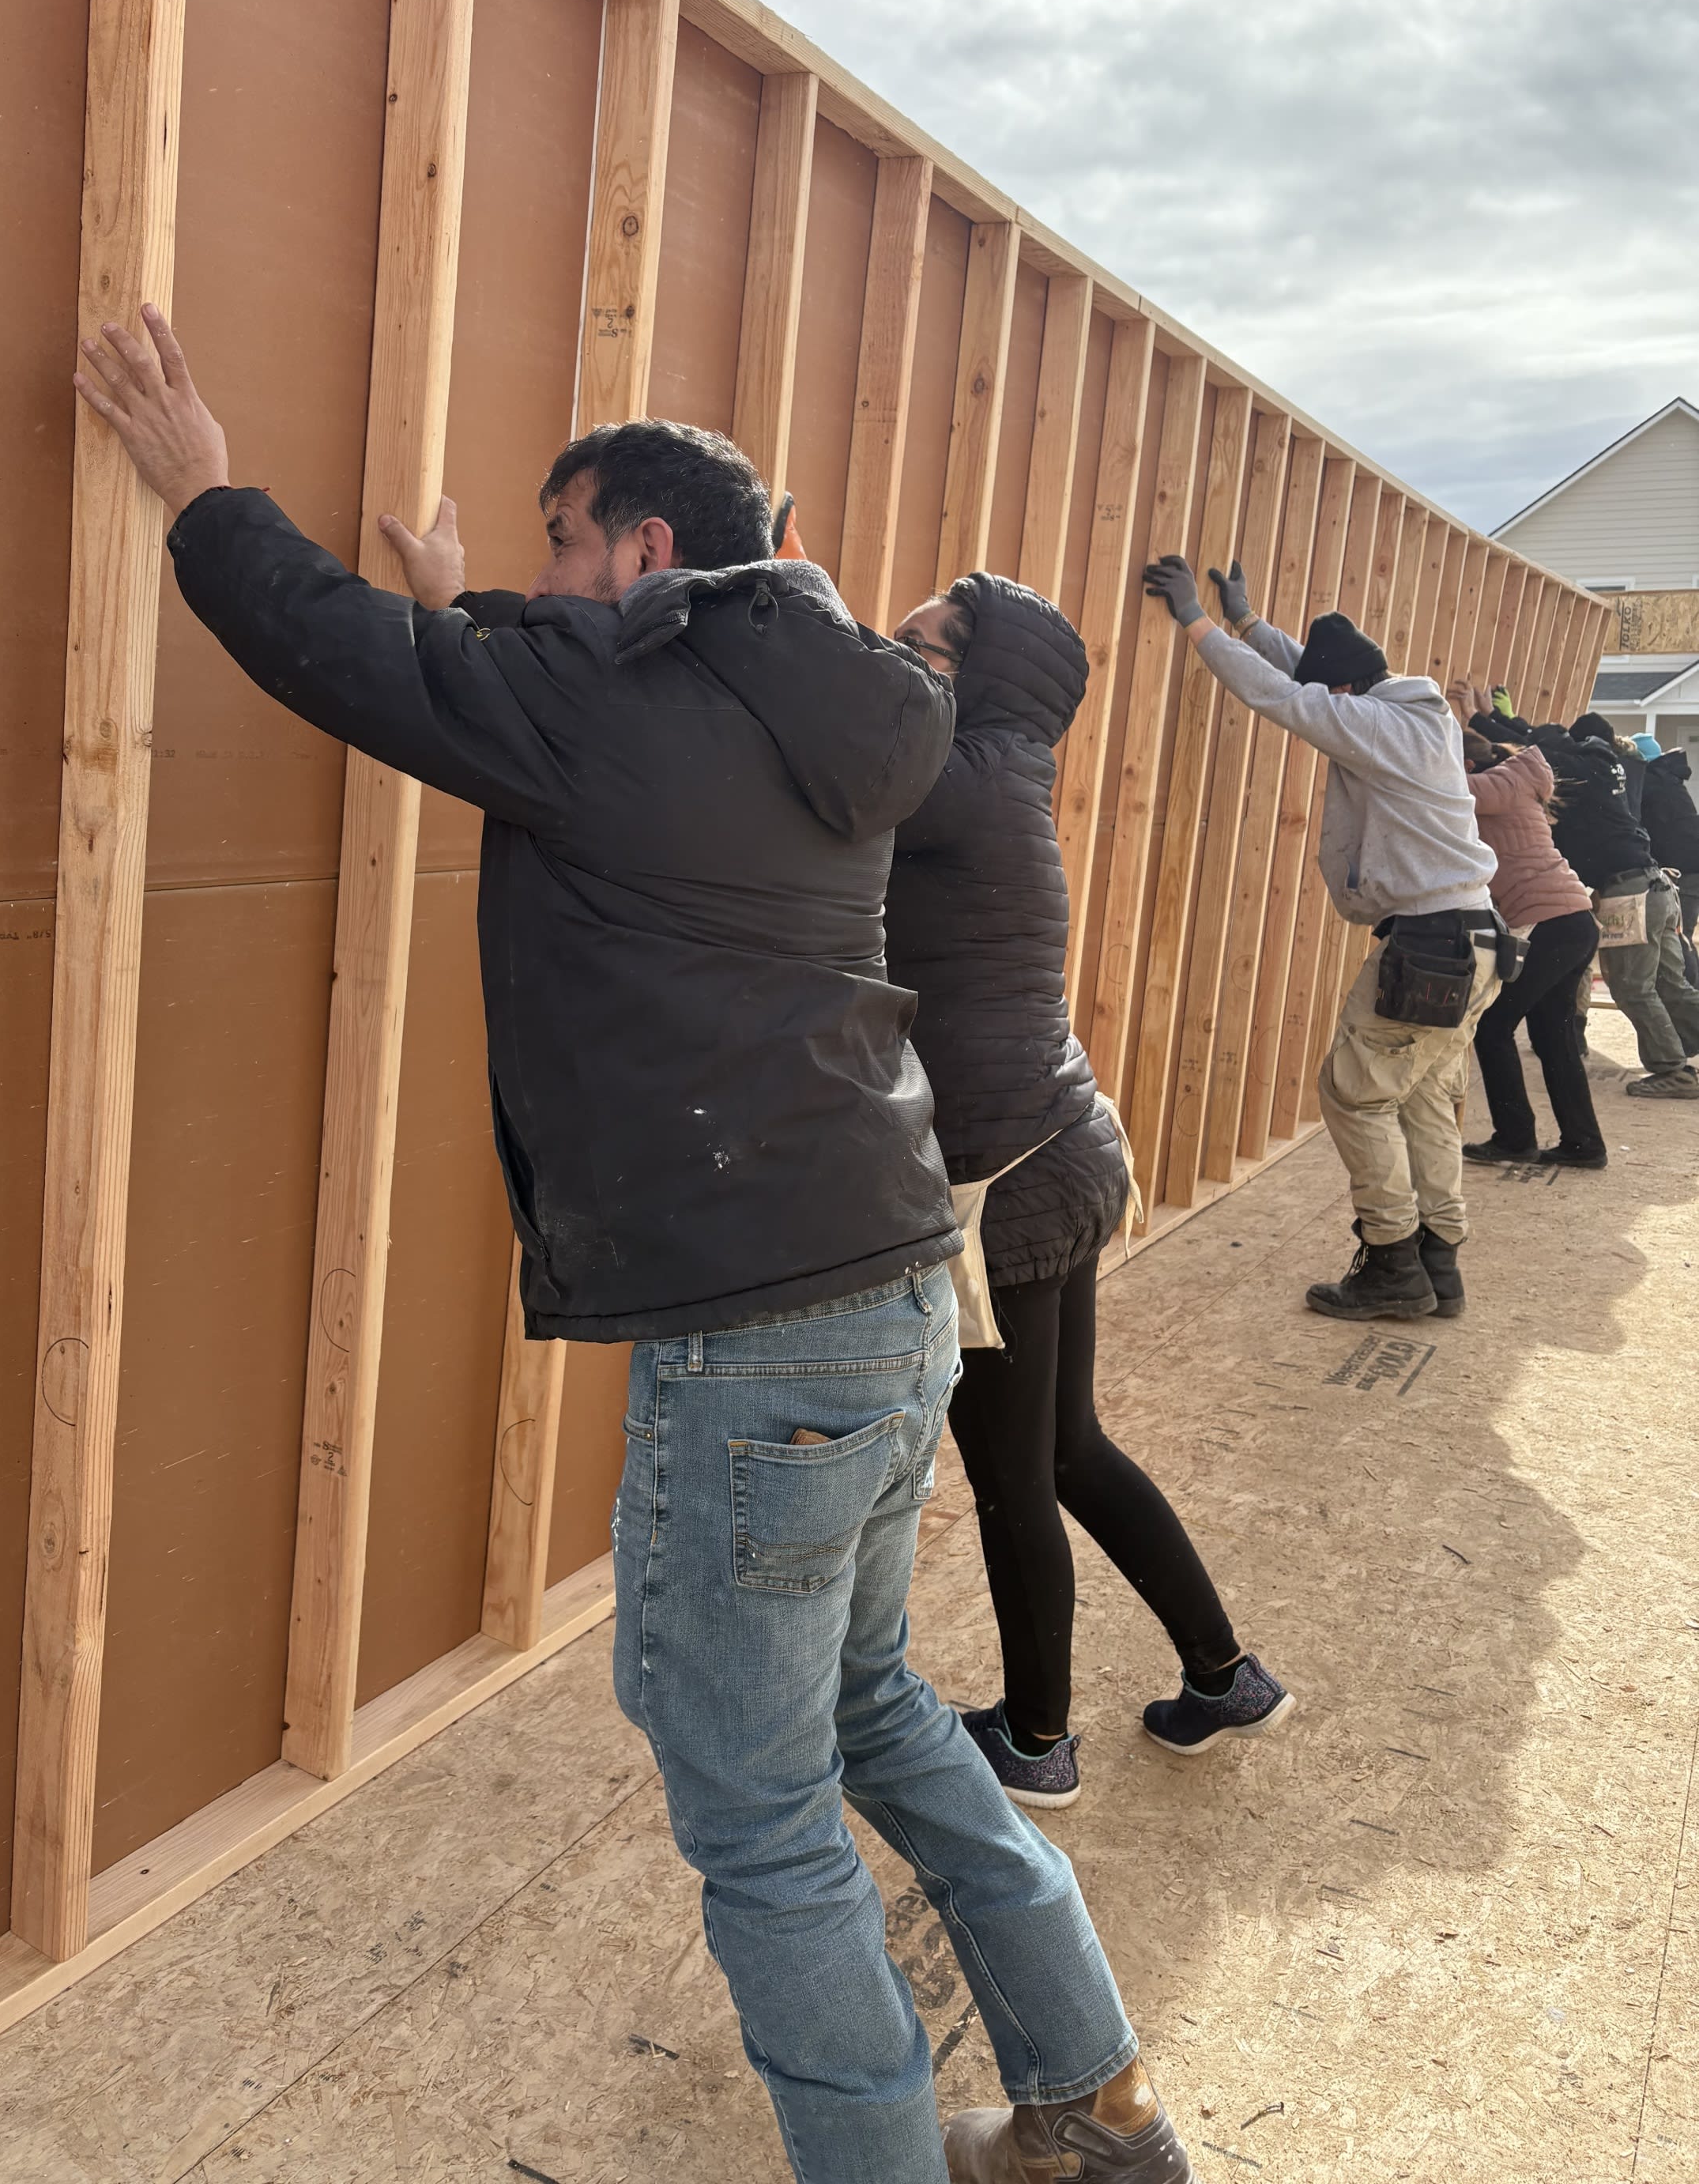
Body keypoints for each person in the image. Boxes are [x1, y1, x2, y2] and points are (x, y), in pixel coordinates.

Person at [74, 310, 1196, 2184]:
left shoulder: (611, 708)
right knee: (876, 1711)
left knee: (759, 1817)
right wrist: (481, 613)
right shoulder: (837, 706)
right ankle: (1099, 2106)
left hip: (759, 1341)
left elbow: (338, 652)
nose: (545, 573)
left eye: (562, 541)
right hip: (897, 1284)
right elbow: (598, 700)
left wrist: (205, 490)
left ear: (649, 549)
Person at [885, 575, 1291, 1810]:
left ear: (979, 677)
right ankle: (1222, 1677)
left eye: (919, 648)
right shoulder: (997, 768)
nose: (892, 661)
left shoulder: (955, 774)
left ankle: (1036, 1739)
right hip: (1058, 1149)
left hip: (1004, 1189)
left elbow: (822, 731)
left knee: (1013, 1474)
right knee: (1067, 1448)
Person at [1142, 556, 1501, 1323]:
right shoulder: (1409, 713)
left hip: (1432, 944)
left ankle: (1393, 1262)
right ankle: (1439, 1262)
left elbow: (1283, 696)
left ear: (1346, 692)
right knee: (1422, 1099)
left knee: (1353, 1094)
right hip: (1474, 940)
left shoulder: (1376, 725)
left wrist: (1196, 622)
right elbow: (1310, 679)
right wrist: (1247, 622)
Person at [1478, 701, 1699, 1097]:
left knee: (1633, 987)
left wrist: (1485, 721)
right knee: (1670, 984)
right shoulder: (1608, 769)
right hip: (1656, 885)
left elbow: (1528, 745)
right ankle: (1677, 1065)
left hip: (1629, 893)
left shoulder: (1576, 769)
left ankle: (1673, 1071)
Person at [1446, 682, 1605, 1168]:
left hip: (1554, 923)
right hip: (1572, 920)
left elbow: (1442, 791)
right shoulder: (1511, 784)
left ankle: (1515, 1137)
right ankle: (1584, 1144)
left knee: (1493, 1026)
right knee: (1553, 1036)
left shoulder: (1494, 788)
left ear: (1467, 765)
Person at [1635, 734, 1699, 943]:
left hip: (1681, 871)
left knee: (1676, 940)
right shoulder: (1669, 779)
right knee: (1681, 937)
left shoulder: (1650, 784)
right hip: (1692, 866)